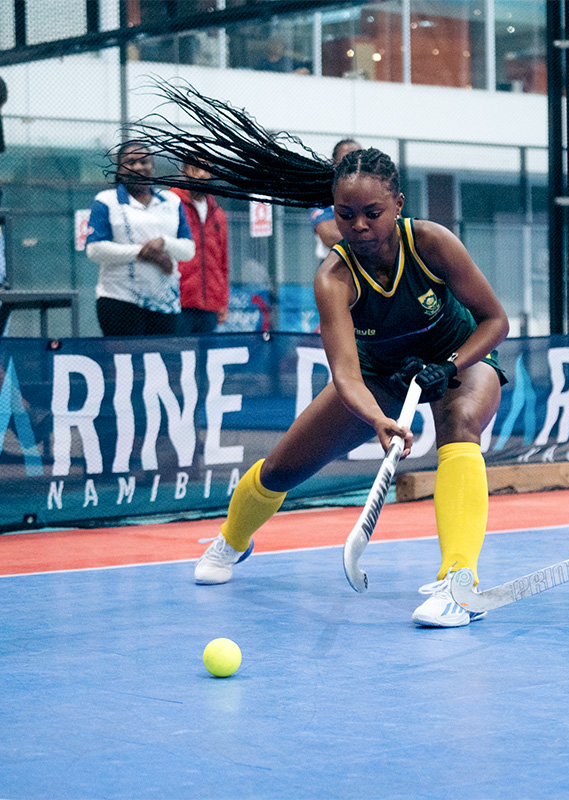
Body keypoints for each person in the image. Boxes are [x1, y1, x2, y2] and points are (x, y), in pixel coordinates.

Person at [127, 85, 509, 626]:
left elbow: (497, 321)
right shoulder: (333, 275)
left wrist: (447, 366)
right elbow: (346, 374)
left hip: (456, 360)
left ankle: (458, 583)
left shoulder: (432, 242)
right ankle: (232, 540)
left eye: (372, 213)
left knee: (460, 420)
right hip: (379, 375)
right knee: (284, 466)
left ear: (397, 205)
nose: (358, 225)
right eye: (345, 213)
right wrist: (378, 418)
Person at [85, 141, 195, 336]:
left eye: (144, 161)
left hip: (165, 302)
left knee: (163, 364)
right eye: (130, 162)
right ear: (119, 169)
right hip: (119, 300)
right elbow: (95, 249)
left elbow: (188, 250)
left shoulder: (171, 200)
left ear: (152, 166)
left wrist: (164, 243)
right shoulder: (106, 201)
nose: (138, 167)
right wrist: (142, 253)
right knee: (124, 364)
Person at [170, 161, 229, 334]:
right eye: (196, 169)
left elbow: (223, 262)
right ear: (184, 171)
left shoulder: (218, 214)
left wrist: (222, 301)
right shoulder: (171, 204)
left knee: (204, 360)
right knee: (176, 358)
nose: (202, 175)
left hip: (209, 306)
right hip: (178, 303)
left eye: (207, 170)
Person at [310, 139, 362, 263]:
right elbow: (330, 237)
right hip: (336, 267)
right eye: (348, 157)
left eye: (360, 157)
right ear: (335, 163)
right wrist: (373, 241)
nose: (355, 162)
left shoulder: (377, 191)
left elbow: (394, 229)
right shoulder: (323, 193)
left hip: (371, 268)